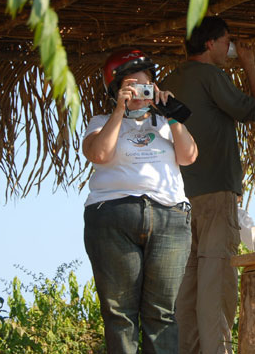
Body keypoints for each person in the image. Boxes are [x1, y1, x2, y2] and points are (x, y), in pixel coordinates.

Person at [161, 17, 255, 354]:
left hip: (178, 197)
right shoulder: (211, 76)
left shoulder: (171, 79)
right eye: (226, 41)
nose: (228, 47)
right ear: (210, 44)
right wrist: (249, 65)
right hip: (215, 194)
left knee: (186, 286)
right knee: (216, 282)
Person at [82, 49, 198, 354]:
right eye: (130, 87)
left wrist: (172, 113)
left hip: (169, 216)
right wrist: (120, 111)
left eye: (145, 86)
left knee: (161, 311)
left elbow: (189, 156)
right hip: (112, 214)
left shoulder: (167, 122)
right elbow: (99, 154)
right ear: (115, 90)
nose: (139, 93)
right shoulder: (101, 121)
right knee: (119, 313)